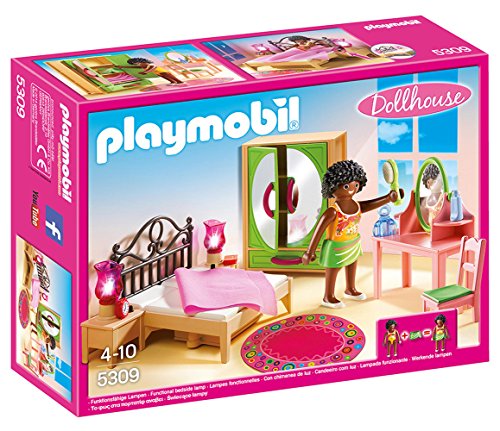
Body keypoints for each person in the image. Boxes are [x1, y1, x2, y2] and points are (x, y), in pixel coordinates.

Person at [302, 160, 403, 308]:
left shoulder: (356, 205)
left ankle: (350, 289)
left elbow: (369, 204)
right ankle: (328, 296)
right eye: (346, 186)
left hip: (353, 242)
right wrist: (309, 252)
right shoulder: (333, 211)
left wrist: (388, 198)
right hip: (336, 246)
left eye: (355, 185)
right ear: (333, 186)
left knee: (352, 264)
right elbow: (319, 230)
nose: (351, 189)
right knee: (333, 269)